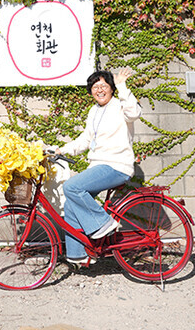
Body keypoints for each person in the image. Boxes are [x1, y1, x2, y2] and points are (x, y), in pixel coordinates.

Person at [52, 68, 142, 264]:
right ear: (90, 91)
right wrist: (62, 150)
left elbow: (134, 113)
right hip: (99, 166)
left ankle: (104, 223)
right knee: (71, 203)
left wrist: (122, 85)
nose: (99, 90)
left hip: (117, 165)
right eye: (95, 87)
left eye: (104, 86)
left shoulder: (120, 105)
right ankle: (78, 254)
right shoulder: (94, 111)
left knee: (71, 186)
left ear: (111, 89)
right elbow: (85, 140)